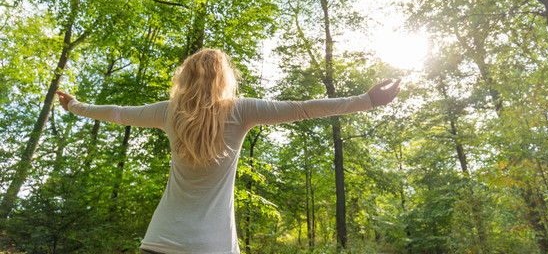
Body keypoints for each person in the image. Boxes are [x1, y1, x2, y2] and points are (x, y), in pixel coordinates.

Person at [56, 48, 400, 254]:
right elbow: (304, 108)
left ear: (186, 78)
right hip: (212, 247)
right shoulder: (241, 110)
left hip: (159, 242)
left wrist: (75, 106)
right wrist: (366, 100)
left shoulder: (168, 111)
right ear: (224, 78)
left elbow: (117, 113)